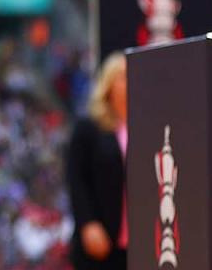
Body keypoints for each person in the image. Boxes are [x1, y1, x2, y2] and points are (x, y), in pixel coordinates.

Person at [65, 52, 127, 270]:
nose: (130, 81)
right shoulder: (88, 127)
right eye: (123, 76)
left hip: (140, 238)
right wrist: (88, 223)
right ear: (108, 84)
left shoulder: (149, 126)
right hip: (101, 236)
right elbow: (76, 178)